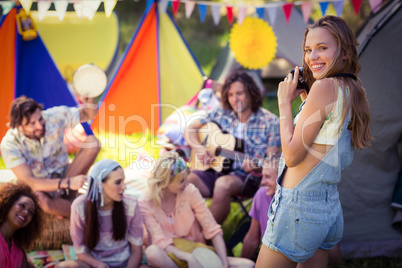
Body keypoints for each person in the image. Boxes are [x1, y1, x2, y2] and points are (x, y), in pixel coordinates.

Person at [256, 15, 372, 267]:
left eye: (322, 48)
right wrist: (306, 102)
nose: (312, 57)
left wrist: (284, 103)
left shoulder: (324, 88)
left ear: (344, 52)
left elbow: (292, 156)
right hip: (327, 206)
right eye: (308, 50)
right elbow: (324, 138)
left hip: (298, 208)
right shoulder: (350, 87)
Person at [184, 70, 281, 224]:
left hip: (247, 177)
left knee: (223, 185)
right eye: (230, 95)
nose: (235, 99)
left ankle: (208, 239)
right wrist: (199, 149)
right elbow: (190, 129)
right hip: (215, 168)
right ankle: (186, 231)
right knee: (185, 181)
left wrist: (258, 167)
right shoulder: (222, 112)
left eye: (239, 93)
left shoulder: (271, 122)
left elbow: (273, 162)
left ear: (250, 92)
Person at [139, 152, 255, 268]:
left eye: (186, 178)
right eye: (181, 181)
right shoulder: (146, 202)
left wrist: (223, 263)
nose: (187, 183)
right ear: (166, 182)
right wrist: (188, 258)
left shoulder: (189, 191)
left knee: (248, 265)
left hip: (198, 253)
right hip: (168, 257)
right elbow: (160, 241)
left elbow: (211, 228)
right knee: (152, 252)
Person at [1, 95, 101, 217]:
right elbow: (30, 182)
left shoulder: (54, 116)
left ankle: (65, 205)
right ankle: (90, 215)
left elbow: (88, 114)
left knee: (93, 142)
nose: (39, 125)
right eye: (32, 123)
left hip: (67, 173)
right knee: (42, 201)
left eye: (40, 119)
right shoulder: (10, 144)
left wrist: (89, 100)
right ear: (19, 126)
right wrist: (67, 183)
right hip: (42, 187)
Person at [56, 159, 144, 268]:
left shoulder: (131, 205)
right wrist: (98, 264)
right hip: (94, 264)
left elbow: (136, 251)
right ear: (99, 184)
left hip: (126, 263)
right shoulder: (79, 207)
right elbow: (81, 251)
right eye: (118, 182)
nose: (124, 186)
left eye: (123, 181)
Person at [241, 155, 279, 260]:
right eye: (262, 176)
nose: (262, 182)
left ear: (282, 177)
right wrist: (241, 262)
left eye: (267, 177)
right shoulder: (262, 195)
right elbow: (252, 239)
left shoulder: (297, 203)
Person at [0, 182, 43, 268]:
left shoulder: (19, 253)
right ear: (8, 203)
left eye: (31, 212)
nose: (26, 212)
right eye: (22, 205)